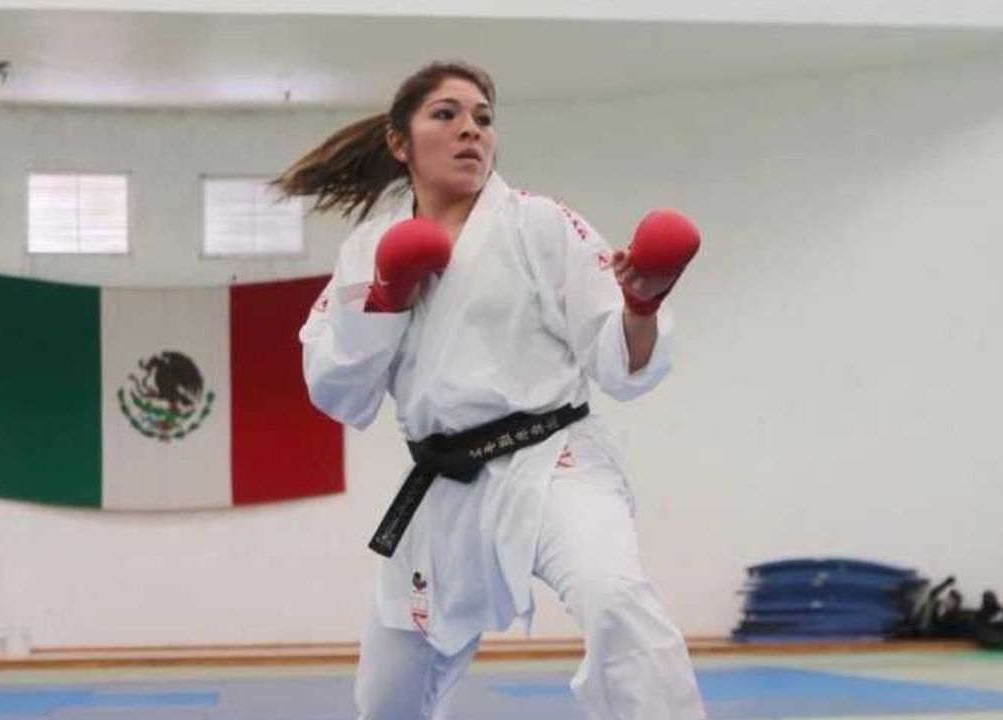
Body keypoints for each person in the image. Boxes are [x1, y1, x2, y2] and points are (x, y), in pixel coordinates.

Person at [281, 60, 706, 720]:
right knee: (388, 696)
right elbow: (336, 390)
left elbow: (620, 363)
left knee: (614, 597)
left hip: (553, 460)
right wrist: (385, 299)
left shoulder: (539, 223)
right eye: (445, 114)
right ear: (399, 142)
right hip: (443, 484)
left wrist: (642, 306)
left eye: (483, 118)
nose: (470, 130)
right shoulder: (368, 249)